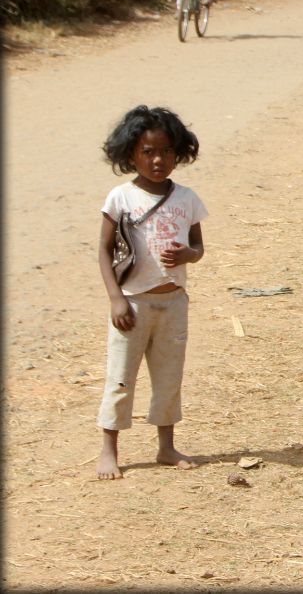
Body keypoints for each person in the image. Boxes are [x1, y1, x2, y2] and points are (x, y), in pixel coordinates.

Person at [96, 105, 206, 479]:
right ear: (130, 154)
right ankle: (109, 449)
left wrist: (188, 255)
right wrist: (115, 298)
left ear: (180, 152)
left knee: (168, 376)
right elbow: (104, 250)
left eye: (166, 151)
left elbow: (198, 247)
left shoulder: (186, 198)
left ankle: (166, 446)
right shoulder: (120, 198)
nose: (158, 159)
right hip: (133, 303)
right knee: (121, 377)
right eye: (147, 151)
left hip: (173, 302)